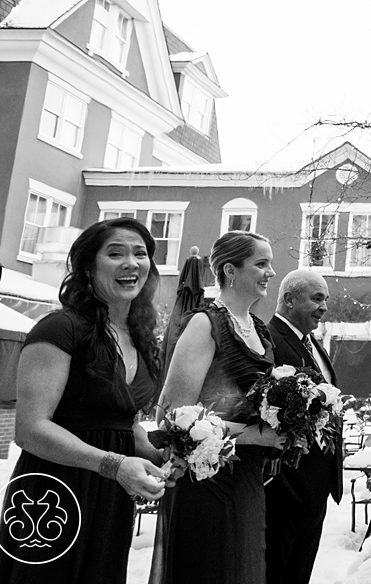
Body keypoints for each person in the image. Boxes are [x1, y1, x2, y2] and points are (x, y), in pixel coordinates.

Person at [0, 219, 169, 584]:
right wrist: (114, 463)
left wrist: (161, 456)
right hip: (54, 494)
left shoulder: (139, 337)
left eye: (140, 253)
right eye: (115, 253)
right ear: (88, 267)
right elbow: (30, 429)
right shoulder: (59, 328)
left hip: (111, 496)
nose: (131, 263)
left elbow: (121, 421)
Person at [151, 231, 287, 584]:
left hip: (247, 481)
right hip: (206, 483)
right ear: (230, 270)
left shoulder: (259, 329)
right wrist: (256, 435)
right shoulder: (204, 324)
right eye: (261, 263)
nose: (271, 272)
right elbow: (172, 417)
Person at [264, 269, 343, 584]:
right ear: (288, 299)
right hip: (286, 488)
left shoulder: (313, 344)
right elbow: (266, 407)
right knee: (277, 573)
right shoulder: (269, 340)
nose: (324, 307)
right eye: (317, 298)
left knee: (299, 575)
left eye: (326, 299)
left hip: (315, 489)